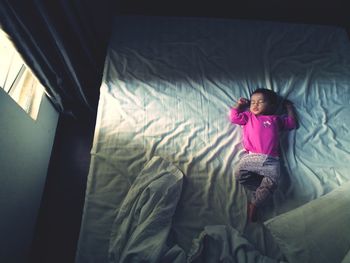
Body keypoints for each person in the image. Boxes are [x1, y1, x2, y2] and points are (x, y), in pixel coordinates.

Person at [230, 88, 297, 222]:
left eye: (260, 102)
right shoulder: (249, 116)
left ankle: (254, 204)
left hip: (272, 160)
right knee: (239, 174)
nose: (255, 105)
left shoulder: (275, 119)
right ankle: (260, 190)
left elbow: (292, 123)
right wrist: (239, 105)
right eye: (253, 102)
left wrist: (289, 108)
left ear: (271, 105)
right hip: (252, 157)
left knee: (273, 182)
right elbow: (234, 118)